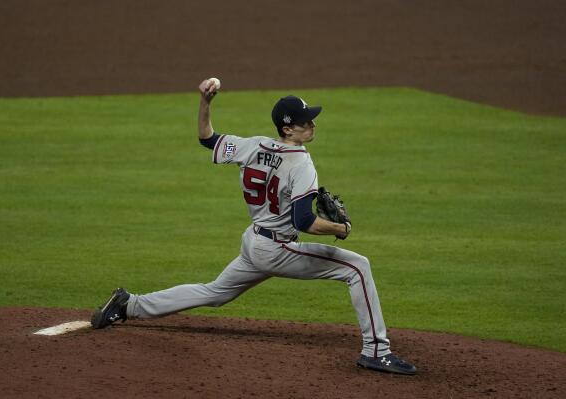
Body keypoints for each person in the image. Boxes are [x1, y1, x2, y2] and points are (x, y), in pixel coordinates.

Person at [91, 78, 416, 375]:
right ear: (288, 129)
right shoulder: (301, 164)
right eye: (306, 121)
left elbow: (208, 139)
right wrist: (340, 229)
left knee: (214, 293)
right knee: (357, 267)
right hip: (278, 249)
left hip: (255, 243)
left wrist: (206, 102)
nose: (312, 124)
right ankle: (376, 350)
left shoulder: (254, 145)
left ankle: (128, 304)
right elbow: (304, 222)